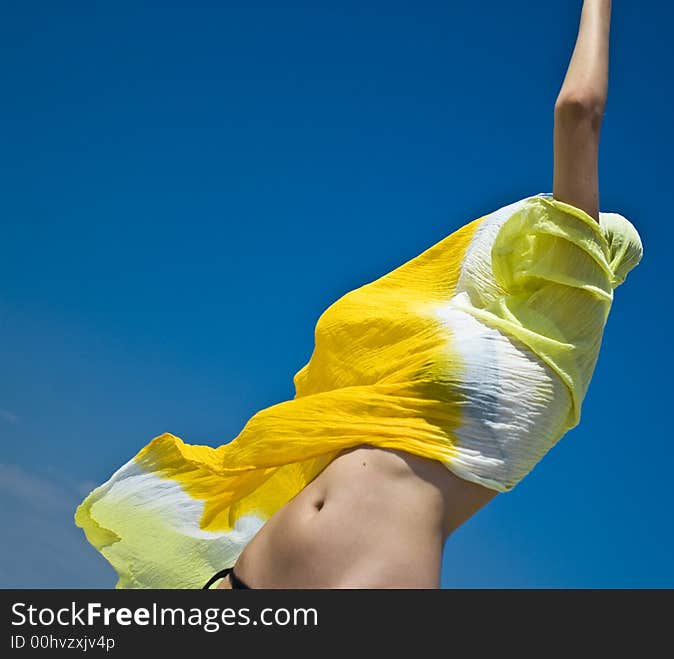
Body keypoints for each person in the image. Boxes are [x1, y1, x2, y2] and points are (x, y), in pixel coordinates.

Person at [75, 0, 643, 589]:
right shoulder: (471, 330)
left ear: (591, 265)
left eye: (575, 234)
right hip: (242, 575)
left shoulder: (547, 367)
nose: (538, 232)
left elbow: (578, 110)